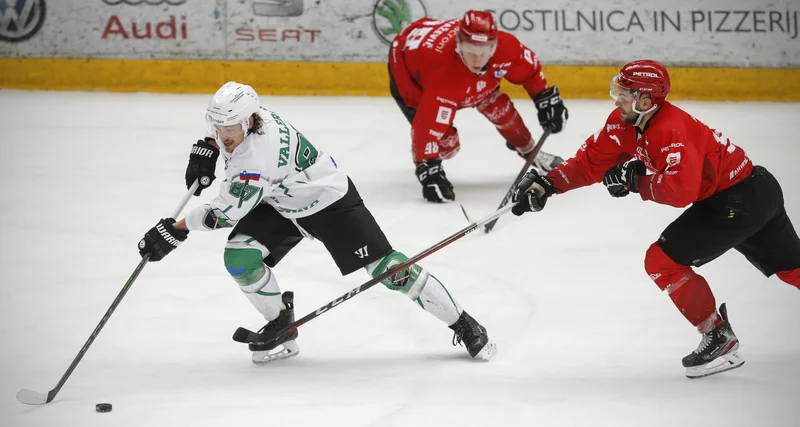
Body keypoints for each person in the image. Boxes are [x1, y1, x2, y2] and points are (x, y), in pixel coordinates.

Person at [137, 82, 496, 364]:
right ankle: (282, 322)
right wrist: (211, 148)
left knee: (390, 270)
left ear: (247, 121)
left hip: (328, 202)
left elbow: (222, 214)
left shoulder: (256, 161)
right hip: (281, 199)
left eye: (227, 128)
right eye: (216, 126)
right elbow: (230, 147)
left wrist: (175, 229)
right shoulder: (253, 116)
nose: (222, 132)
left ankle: (463, 323)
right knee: (239, 258)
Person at [510, 60, 800, 379]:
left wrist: (636, 182)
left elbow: (681, 191)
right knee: (793, 269)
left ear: (646, 100)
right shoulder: (623, 121)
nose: (616, 98)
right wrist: (548, 184)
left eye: (623, 92)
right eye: (617, 90)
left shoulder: (669, 130)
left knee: (661, 261)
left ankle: (719, 338)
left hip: (737, 200)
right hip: (755, 190)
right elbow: (590, 163)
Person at [388, 10, 569, 203]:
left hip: (445, 60)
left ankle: (531, 151)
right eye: (471, 52)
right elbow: (426, 128)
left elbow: (530, 72)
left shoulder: (507, 48)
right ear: (458, 45)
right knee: (449, 145)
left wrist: (545, 98)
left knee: (499, 108)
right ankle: (426, 155)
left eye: (484, 53)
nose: (477, 60)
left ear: (494, 45)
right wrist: (429, 169)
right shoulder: (443, 76)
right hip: (409, 70)